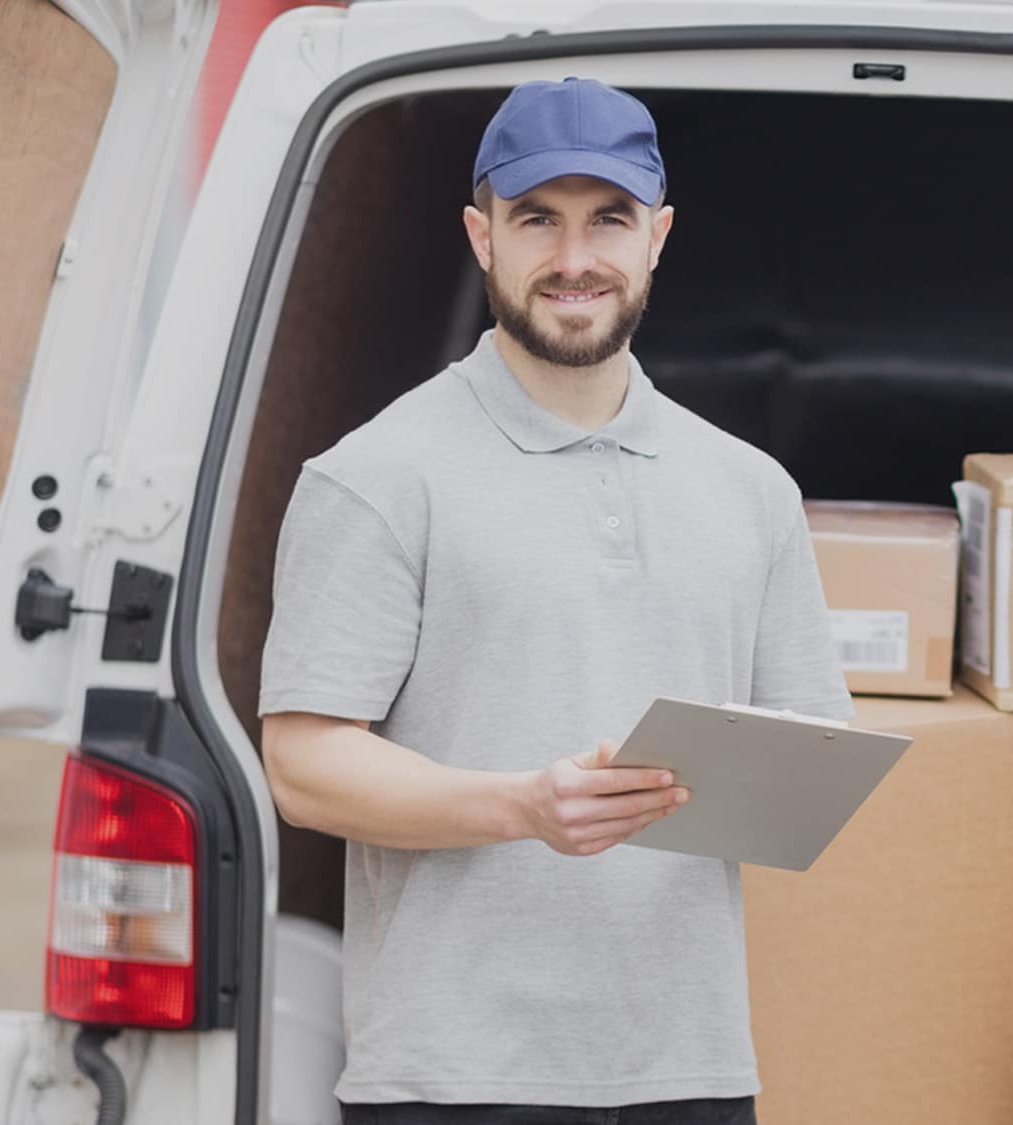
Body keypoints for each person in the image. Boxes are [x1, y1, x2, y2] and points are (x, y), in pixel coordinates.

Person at [256, 77, 851, 1125]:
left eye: (607, 220)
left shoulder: (749, 490)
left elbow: (806, 752)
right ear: (481, 236)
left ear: (657, 236)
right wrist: (522, 809)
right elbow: (303, 766)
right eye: (538, 219)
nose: (574, 259)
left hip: (691, 1069)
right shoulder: (380, 475)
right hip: (453, 1079)